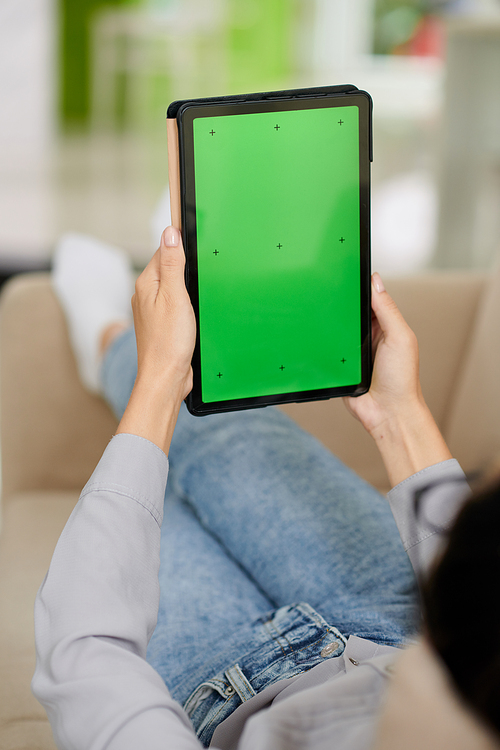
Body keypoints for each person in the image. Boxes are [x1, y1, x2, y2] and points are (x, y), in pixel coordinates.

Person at [31, 227, 500, 749]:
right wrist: (398, 414)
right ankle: (127, 334)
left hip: (224, 698)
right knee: (231, 432)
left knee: (161, 484)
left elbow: (83, 651)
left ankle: (109, 341)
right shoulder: (468, 655)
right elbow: (480, 592)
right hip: (399, 622)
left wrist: (159, 383)